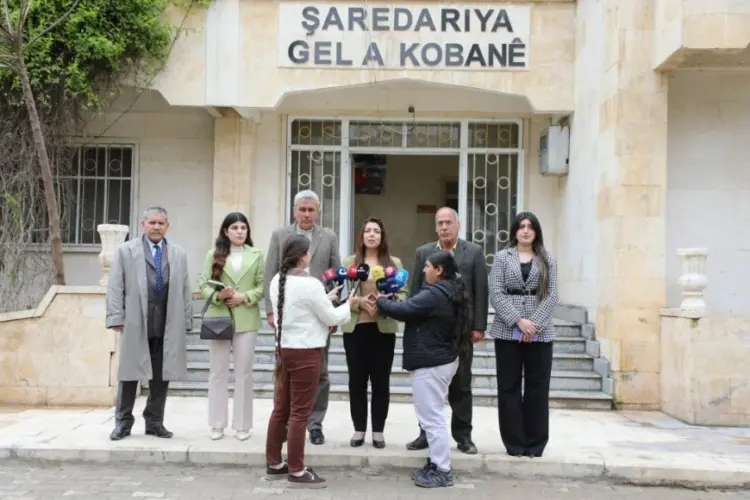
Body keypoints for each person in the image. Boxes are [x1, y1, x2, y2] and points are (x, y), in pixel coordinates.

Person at [265, 235, 355, 488]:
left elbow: (301, 308)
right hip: (306, 353)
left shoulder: (278, 280)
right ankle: (296, 469)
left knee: (281, 409)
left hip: (284, 350)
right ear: (304, 256)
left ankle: (274, 462)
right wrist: (348, 305)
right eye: (308, 253)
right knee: (300, 413)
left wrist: (328, 298)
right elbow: (330, 318)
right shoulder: (311, 284)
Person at [376, 250, 471, 488]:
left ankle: (442, 470)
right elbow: (413, 308)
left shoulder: (435, 293)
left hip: (432, 363)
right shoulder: (449, 290)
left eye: (428, 266)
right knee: (432, 416)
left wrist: (380, 300)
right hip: (439, 360)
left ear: (439, 270)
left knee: (432, 418)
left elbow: (405, 310)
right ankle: (436, 462)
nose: (424, 270)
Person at [406, 207, 488, 455]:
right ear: (435, 227)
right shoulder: (424, 253)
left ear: (458, 225)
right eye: (440, 223)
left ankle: (463, 436)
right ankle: (425, 433)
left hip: (461, 333)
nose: (444, 227)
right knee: (428, 387)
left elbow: (480, 292)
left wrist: (479, 326)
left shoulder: (473, 252)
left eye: (448, 222)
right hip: (431, 333)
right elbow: (415, 291)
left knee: (461, 384)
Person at [106, 207, 193, 441]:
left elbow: (185, 287)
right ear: (142, 224)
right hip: (137, 319)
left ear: (167, 226)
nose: (156, 227)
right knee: (129, 373)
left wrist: (186, 319)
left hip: (167, 320)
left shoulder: (177, 253)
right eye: (152, 222)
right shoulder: (126, 251)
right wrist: (116, 317)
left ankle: (154, 421)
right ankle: (123, 422)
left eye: (161, 223)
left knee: (161, 375)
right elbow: (115, 286)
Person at [264, 190, 341, 445]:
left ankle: (314, 423)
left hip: (319, 314)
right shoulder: (280, 235)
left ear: (318, 211)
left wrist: (332, 312)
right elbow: (270, 272)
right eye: (302, 209)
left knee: (321, 372)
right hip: (288, 316)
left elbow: (335, 274)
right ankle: (285, 422)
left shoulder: (328, 236)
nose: (306, 214)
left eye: (311, 210)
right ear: (294, 211)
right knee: (284, 371)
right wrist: (271, 311)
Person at [488, 211, 558, 458]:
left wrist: (533, 325)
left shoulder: (547, 259)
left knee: (538, 387)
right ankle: (514, 443)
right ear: (515, 231)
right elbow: (496, 293)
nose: (526, 231)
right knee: (509, 387)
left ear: (536, 231)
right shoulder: (501, 257)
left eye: (530, 226)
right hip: (508, 330)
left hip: (541, 332)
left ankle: (535, 444)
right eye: (521, 226)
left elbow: (552, 295)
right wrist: (518, 321)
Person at [341, 217, 407, 449]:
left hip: (383, 329)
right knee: (357, 381)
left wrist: (385, 302)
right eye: (367, 231)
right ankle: (359, 429)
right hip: (356, 329)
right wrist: (360, 302)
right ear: (362, 236)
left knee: (381, 381)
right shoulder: (350, 262)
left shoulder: (393, 263)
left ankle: (378, 431)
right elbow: (342, 294)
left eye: (376, 231)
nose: (371, 235)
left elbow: (403, 294)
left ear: (382, 236)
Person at [199, 212, 265, 441]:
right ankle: (217, 424)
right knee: (217, 372)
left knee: (243, 373)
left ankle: (242, 425)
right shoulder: (213, 254)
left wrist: (243, 297)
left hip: (246, 318)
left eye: (243, 227)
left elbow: (261, 286)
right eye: (235, 228)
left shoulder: (257, 255)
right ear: (226, 231)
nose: (239, 231)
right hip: (219, 318)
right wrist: (220, 296)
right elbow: (203, 285)